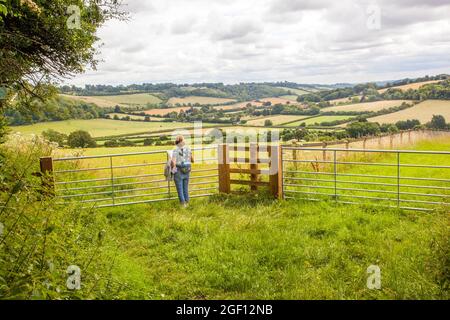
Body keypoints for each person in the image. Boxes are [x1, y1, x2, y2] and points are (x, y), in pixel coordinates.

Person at [171, 135, 193, 207]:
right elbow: (192, 160)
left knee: (180, 188)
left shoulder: (175, 150)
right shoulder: (188, 149)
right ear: (182, 141)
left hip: (179, 170)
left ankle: (183, 204)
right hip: (187, 169)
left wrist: (173, 168)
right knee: (185, 187)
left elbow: (173, 161)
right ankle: (187, 202)